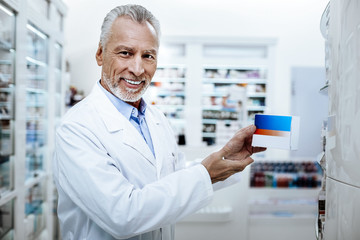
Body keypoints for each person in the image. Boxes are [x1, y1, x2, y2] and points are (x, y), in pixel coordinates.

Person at [53, 4, 265, 240]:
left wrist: (225, 158)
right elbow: (122, 215)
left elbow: (171, 177)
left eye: (148, 56)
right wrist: (206, 174)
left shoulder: (155, 118)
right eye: (125, 53)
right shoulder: (77, 128)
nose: (137, 68)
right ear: (100, 54)